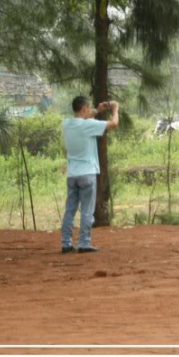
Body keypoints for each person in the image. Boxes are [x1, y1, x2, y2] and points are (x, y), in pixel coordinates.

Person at [60, 96, 119, 253]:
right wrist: (115, 109)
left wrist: (97, 110)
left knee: (70, 210)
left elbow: (83, 117)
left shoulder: (66, 124)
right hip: (87, 173)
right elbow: (114, 124)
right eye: (89, 108)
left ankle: (66, 243)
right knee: (87, 210)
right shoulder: (88, 125)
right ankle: (84, 243)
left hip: (72, 174)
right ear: (85, 108)